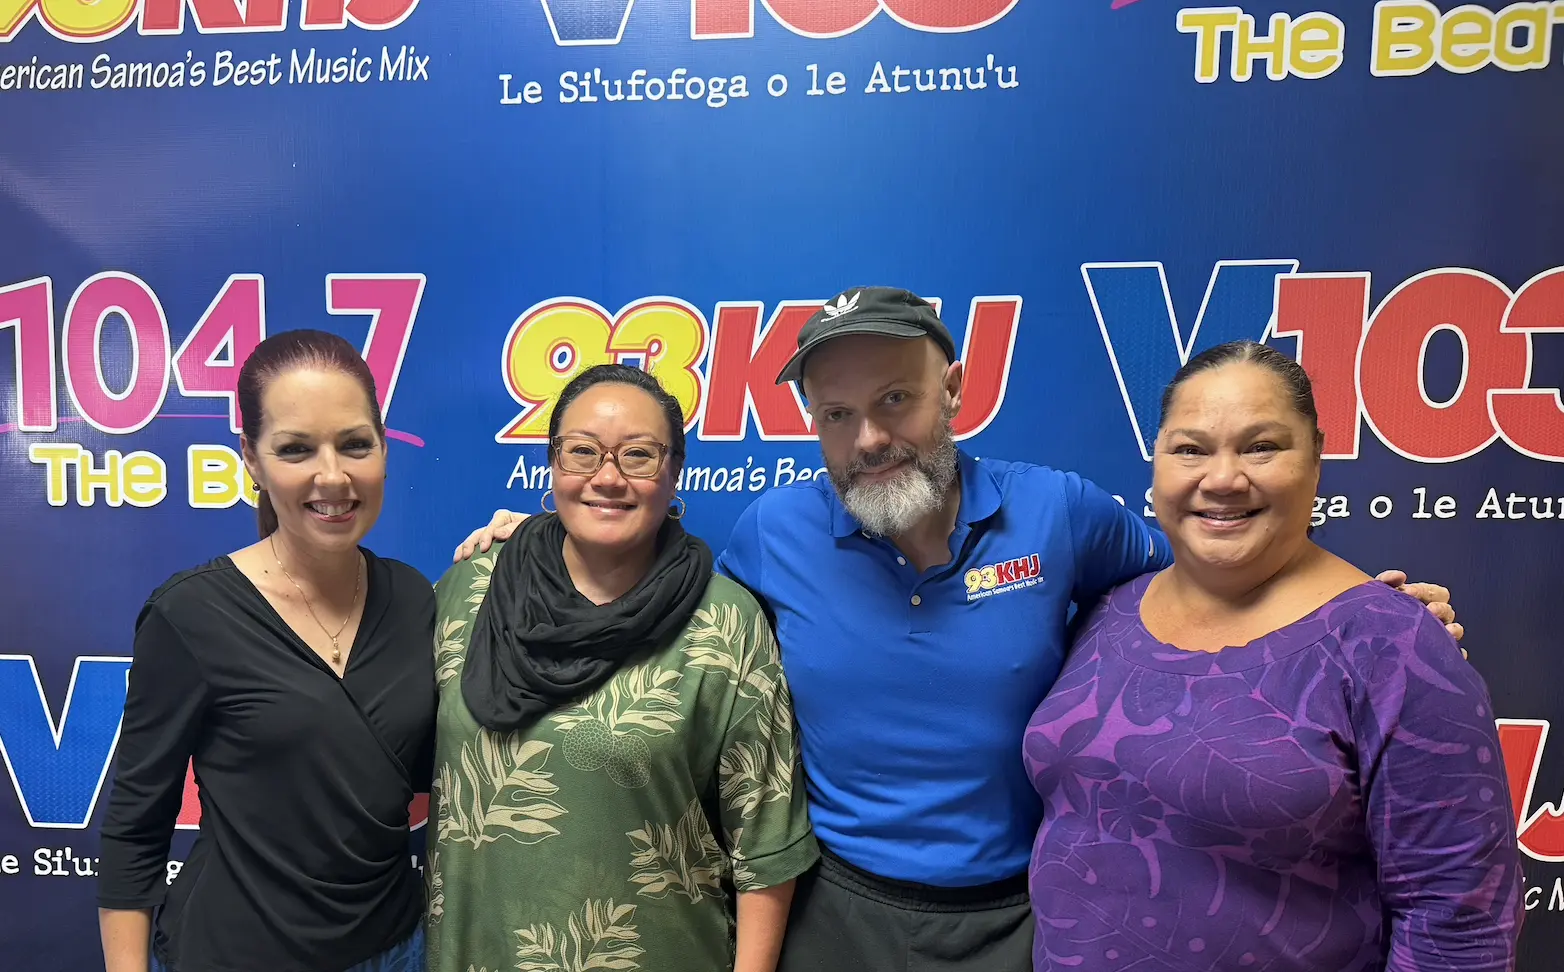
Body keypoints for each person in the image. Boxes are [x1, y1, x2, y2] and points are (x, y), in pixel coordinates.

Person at [455, 287, 1461, 972]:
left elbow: (1213, 561)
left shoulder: (1059, 514)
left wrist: (1357, 611)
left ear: (956, 391)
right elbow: (655, 589)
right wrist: (533, 539)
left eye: (895, 399)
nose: (869, 438)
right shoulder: (772, 533)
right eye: (836, 414)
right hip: (834, 912)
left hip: (1022, 917)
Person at [1022, 340, 1522, 971]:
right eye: (1190, 449)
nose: (1222, 479)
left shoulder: (1390, 643)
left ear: (1316, 457)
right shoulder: (1103, 610)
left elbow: (1460, 925)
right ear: (1157, 461)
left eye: (1261, 446)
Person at [426, 364, 817, 972]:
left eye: (638, 455)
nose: (607, 478)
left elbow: (766, 847)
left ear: (674, 473)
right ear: (552, 464)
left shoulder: (724, 623)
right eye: (582, 451)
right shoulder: (468, 592)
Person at [97, 330, 435, 972]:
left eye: (355, 444)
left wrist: (524, 550)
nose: (332, 475)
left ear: (383, 449)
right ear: (251, 459)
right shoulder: (190, 615)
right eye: (296, 449)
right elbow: (135, 830)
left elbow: (439, 771)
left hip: (396, 951)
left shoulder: (416, 598)